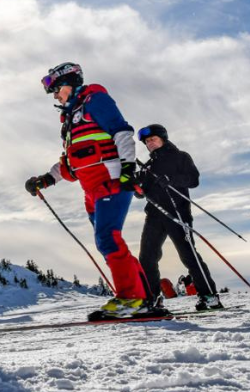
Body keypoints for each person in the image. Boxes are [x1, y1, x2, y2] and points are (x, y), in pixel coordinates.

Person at [24, 63, 148, 319]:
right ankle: (144, 296)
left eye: (56, 90)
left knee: (108, 238)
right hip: (90, 188)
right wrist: (47, 179)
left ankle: (131, 298)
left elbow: (122, 133)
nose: (55, 96)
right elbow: (70, 160)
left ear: (69, 83)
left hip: (110, 181)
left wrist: (127, 170)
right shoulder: (70, 117)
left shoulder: (95, 100)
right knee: (107, 241)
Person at [135, 124, 221, 311]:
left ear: (163, 138)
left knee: (187, 255)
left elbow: (193, 179)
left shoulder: (180, 156)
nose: (150, 143)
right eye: (147, 141)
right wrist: (137, 188)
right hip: (154, 215)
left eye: (153, 139)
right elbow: (143, 193)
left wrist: (170, 180)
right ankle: (153, 299)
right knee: (147, 257)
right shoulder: (148, 166)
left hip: (177, 213)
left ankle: (209, 296)